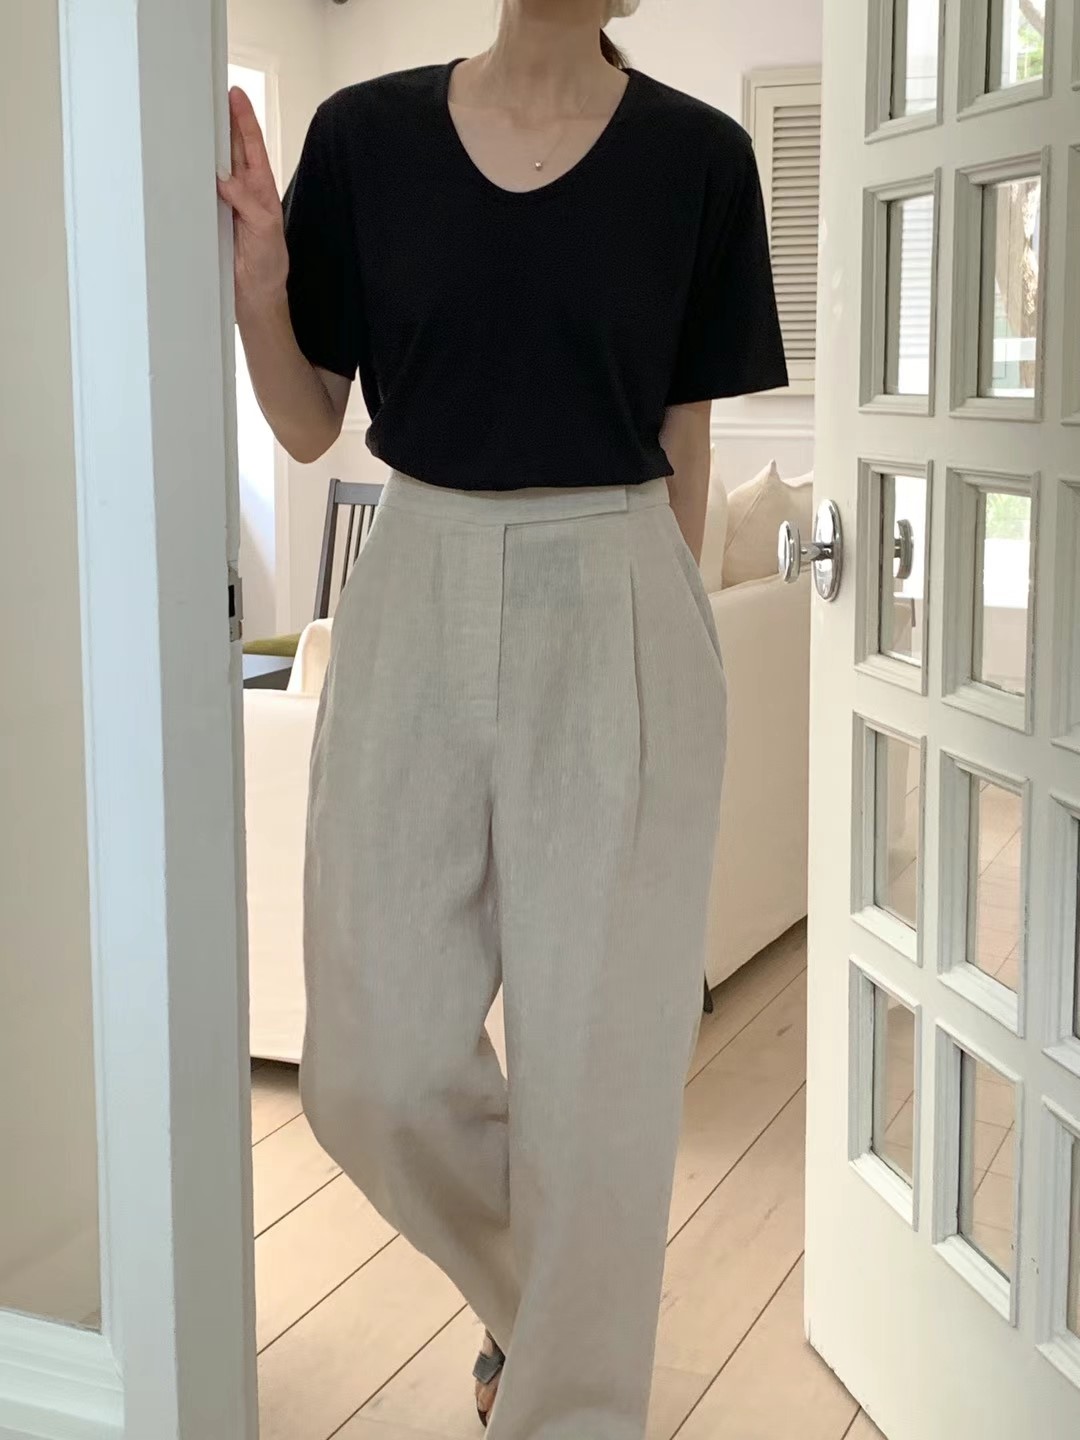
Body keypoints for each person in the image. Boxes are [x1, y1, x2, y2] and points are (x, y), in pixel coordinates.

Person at [219, 1, 787, 1434]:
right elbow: (308, 423)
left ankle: (569, 1405)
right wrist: (262, 291)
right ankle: (548, 1313)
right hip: (418, 573)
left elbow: (685, 444)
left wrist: (661, 647)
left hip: (619, 581)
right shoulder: (366, 138)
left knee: (601, 1080)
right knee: (371, 1071)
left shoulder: (699, 159)